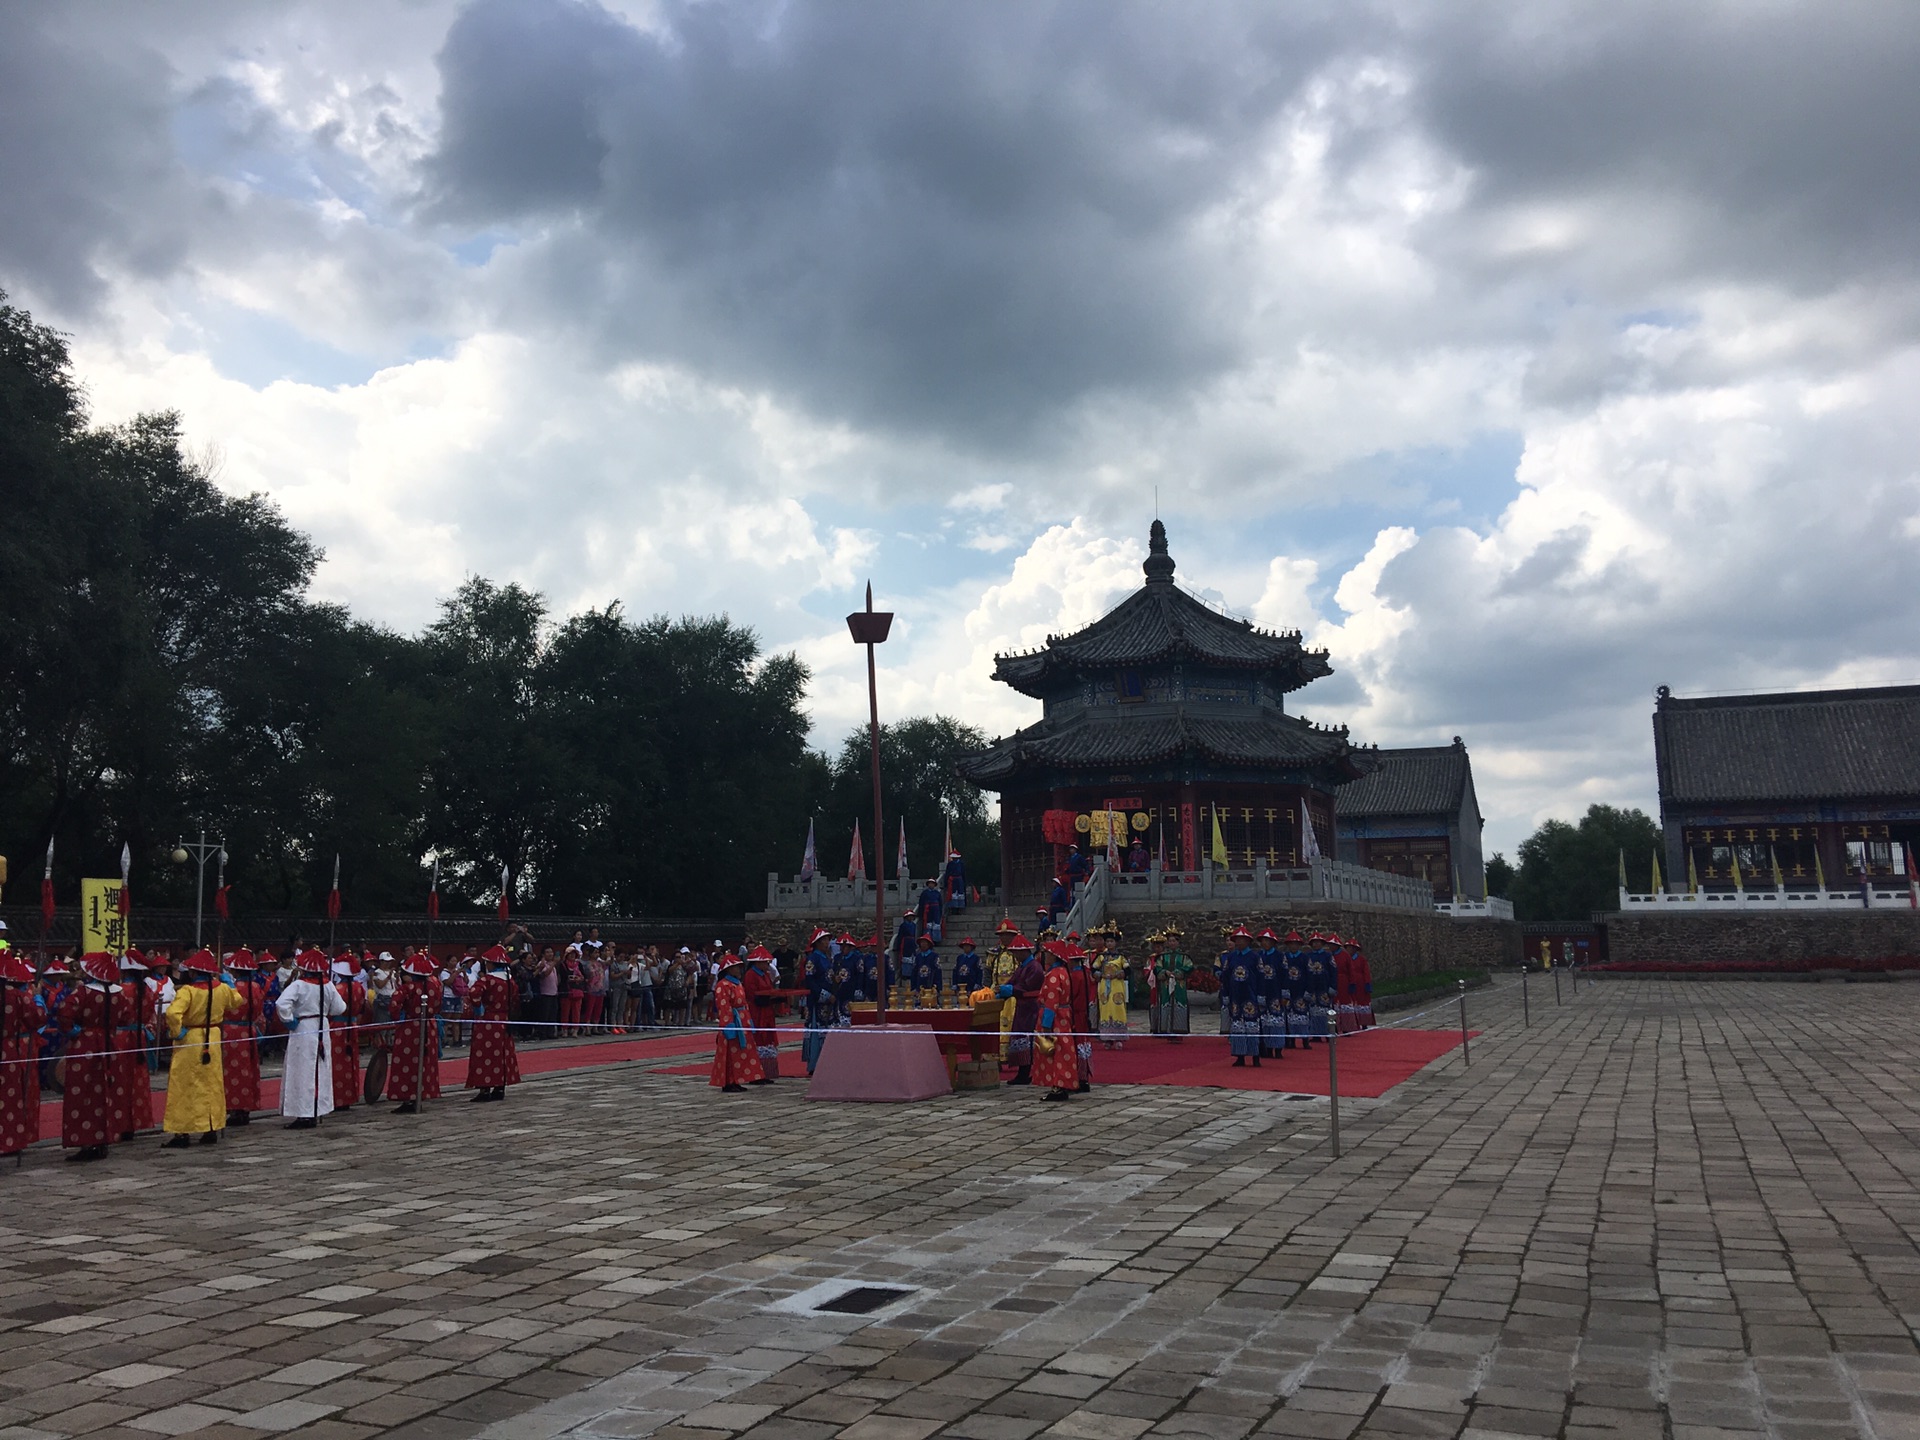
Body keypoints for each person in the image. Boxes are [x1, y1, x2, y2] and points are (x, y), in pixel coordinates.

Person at [160, 948, 241, 1148]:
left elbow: (172, 1013)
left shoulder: (188, 991)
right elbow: (237, 1001)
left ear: (194, 972)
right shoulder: (221, 988)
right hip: (213, 1037)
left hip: (191, 1038)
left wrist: (176, 1031)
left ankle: (182, 1132)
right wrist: (230, 985)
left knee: (185, 1084)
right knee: (211, 1084)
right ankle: (211, 1127)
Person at [60, 954, 122, 1161]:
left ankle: (85, 1142)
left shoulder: (84, 992)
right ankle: (104, 1139)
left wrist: (74, 1030)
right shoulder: (118, 994)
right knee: (106, 1089)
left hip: (85, 1044)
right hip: (110, 1042)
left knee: (83, 1092)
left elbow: (64, 1012)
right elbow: (126, 1015)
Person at [275, 950, 346, 1129]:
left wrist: (289, 1020)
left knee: (302, 1071)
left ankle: (303, 1113)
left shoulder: (299, 985)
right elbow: (340, 1007)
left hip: (303, 1026)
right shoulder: (328, 985)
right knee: (319, 1070)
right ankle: (316, 1109)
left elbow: (281, 1003)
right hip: (322, 1025)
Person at [0, 950, 45, 1160]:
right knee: (9, 1098)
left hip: (11, 1048)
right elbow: (37, 1019)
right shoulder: (16, 995)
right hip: (9, 1051)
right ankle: (9, 1141)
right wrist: (37, 997)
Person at [388, 951, 443, 1114]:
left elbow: (393, 1006)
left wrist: (399, 1019)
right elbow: (439, 1006)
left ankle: (408, 1097)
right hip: (429, 1027)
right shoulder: (435, 986)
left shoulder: (407, 988)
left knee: (407, 1062)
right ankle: (422, 1093)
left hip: (410, 1029)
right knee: (425, 1061)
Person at [465, 945, 521, 1102]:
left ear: (491, 964)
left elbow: (473, 993)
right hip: (505, 1020)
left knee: (485, 1054)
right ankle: (499, 1088)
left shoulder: (487, 980)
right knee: (502, 1054)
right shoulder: (510, 981)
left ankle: (484, 1090)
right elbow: (516, 1000)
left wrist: (478, 1007)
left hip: (488, 1021)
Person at [219, 949, 269, 1126]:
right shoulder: (256, 988)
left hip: (231, 1032)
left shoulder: (231, 988)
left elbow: (223, 1009)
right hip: (249, 1030)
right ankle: (246, 1107)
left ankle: (235, 1108)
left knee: (232, 1070)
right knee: (248, 1069)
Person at [111, 950, 156, 1142]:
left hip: (121, 1037)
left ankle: (120, 1123)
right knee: (136, 1081)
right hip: (139, 1036)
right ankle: (136, 1121)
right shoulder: (147, 990)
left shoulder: (119, 990)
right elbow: (151, 1016)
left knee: (119, 1080)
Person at [1031, 943, 1080, 1102]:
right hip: (1064, 1016)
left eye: (1047, 953)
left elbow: (1052, 1000)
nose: (1045, 955)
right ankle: (1062, 1084)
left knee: (1055, 1051)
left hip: (1055, 1019)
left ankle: (1057, 1086)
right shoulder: (1063, 972)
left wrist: (1046, 1024)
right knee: (1064, 1050)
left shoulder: (1053, 975)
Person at [709, 953, 764, 1093]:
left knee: (740, 1052)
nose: (739, 970)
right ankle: (728, 1081)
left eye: (739, 967)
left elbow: (744, 1003)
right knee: (730, 1053)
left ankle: (736, 1079)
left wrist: (749, 1020)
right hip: (732, 1022)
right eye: (735, 967)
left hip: (742, 1020)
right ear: (728, 970)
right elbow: (724, 1006)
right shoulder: (723, 985)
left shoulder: (737, 984)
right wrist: (728, 1024)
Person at [1004, 935, 1044, 1086]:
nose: (1014, 955)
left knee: (1026, 1040)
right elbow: (1013, 982)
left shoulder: (1034, 967)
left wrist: (1012, 990)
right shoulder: (1022, 967)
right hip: (1022, 1006)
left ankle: (1025, 1072)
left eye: (1015, 952)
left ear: (1023, 952)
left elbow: (1027, 987)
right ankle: (1022, 1071)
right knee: (1021, 1038)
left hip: (1030, 1007)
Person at [1220, 926, 1261, 1067]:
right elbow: (1225, 977)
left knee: (1252, 1026)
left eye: (1241, 940)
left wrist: (1261, 995)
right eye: (1236, 940)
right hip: (1235, 996)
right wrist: (1225, 993)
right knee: (1237, 1026)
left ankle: (1255, 1056)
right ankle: (1240, 1056)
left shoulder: (1255, 957)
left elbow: (1261, 977)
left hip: (1251, 995)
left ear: (1248, 941)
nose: (1238, 943)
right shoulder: (1231, 957)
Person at [742, 945, 780, 1083]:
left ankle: (766, 1072)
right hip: (757, 1012)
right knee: (758, 1039)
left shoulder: (765, 975)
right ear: (757, 962)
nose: (767, 964)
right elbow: (752, 995)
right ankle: (756, 1073)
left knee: (767, 1039)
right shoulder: (751, 975)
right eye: (765, 962)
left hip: (767, 1011)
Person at [1065, 942, 1095, 1092]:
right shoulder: (1085, 973)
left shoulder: (1074, 976)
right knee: (1083, 1045)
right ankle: (1084, 1079)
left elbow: (1070, 997)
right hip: (1083, 1014)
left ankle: (1078, 1078)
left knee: (1076, 1045)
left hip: (1076, 1014)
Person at [1097, 955, 1129, 1048]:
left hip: (1117, 984)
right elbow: (1093, 969)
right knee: (1105, 1009)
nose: (1110, 943)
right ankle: (1107, 1038)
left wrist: (1119, 974)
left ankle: (1119, 1038)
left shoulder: (1121, 957)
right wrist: (1102, 975)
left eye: (1112, 941)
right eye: (1108, 941)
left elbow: (1128, 969)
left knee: (1118, 1008)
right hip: (1104, 984)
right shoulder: (1101, 957)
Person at [913, 934, 942, 1009]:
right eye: (921, 943)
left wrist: (938, 987)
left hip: (932, 984)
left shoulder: (934, 956)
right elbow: (914, 972)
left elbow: (938, 971)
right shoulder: (918, 957)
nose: (923, 945)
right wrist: (914, 988)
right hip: (920, 985)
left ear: (929, 944)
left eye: (925, 943)